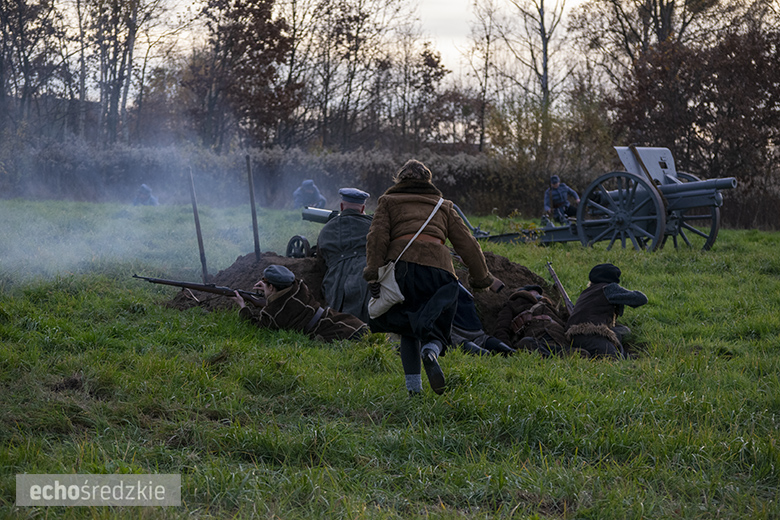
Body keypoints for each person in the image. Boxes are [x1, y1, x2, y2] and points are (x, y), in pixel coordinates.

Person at [363, 159, 504, 396]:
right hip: (439, 272)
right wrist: (482, 278)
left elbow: (376, 239)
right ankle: (430, 351)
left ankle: (414, 391)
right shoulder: (443, 205)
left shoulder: (387, 202)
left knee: (407, 328)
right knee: (439, 329)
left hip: (402, 272)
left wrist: (374, 274)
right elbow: (468, 244)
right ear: (428, 181)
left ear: (399, 180)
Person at [232, 264, 368, 343]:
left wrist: (242, 306)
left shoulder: (274, 314)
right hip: (350, 323)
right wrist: (269, 288)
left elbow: (256, 327)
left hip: (334, 333)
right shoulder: (300, 288)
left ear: (272, 288)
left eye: (267, 286)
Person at [565, 263, 648, 359]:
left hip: (574, 334)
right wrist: (620, 290)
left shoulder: (588, 291)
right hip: (590, 335)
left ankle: (623, 353)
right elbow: (641, 299)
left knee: (624, 331)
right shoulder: (609, 289)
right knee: (613, 358)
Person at [317, 188, 373, 323]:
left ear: (342, 206)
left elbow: (320, 257)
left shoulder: (327, 228)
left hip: (334, 281)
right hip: (363, 278)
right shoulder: (373, 226)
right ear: (362, 208)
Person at [493, 284, 572, 357]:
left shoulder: (549, 307)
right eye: (535, 293)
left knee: (580, 351)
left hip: (559, 340)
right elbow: (502, 328)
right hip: (537, 340)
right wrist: (507, 349)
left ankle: (555, 357)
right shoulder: (513, 304)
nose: (539, 295)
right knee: (526, 343)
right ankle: (554, 358)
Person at [451, 282, 516, 356]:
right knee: (480, 337)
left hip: (445, 293)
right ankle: (506, 350)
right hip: (461, 293)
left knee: (446, 337)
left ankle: (480, 352)